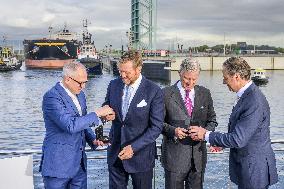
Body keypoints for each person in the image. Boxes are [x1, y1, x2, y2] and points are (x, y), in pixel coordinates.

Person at [190, 57, 278, 189]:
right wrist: (222, 143)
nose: (224, 81)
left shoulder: (253, 101)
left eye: (225, 77)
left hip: (254, 171)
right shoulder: (247, 95)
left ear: (236, 76)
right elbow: (242, 133)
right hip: (250, 168)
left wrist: (205, 135)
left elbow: (238, 139)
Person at [40, 61, 115, 189]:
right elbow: (70, 125)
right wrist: (97, 113)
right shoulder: (51, 97)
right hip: (58, 167)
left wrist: (93, 140)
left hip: (79, 166)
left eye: (85, 82)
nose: (83, 86)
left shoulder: (80, 95)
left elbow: (82, 123)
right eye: (81, 82)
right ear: (67, 79)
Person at [103, 50, 164, 189]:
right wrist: (106, 114)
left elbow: (156, 128)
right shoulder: (113, 85)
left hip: (141, 158)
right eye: (120, 71)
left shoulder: (154, 91)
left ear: (138, 69)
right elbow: (106, 105)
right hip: (115, 154)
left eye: (127, 72)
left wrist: (134, 148)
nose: (123, 75)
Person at [161, 58, 218, 189]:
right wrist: (173, 131)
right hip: (174, 160)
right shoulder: (165, 94)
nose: (190, 83)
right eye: (187, 78)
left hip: (198, 160)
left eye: (194, 79)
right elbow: (157, 123)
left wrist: (203, 133)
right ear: (180, 73)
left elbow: (212, 120)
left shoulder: (205, 93)